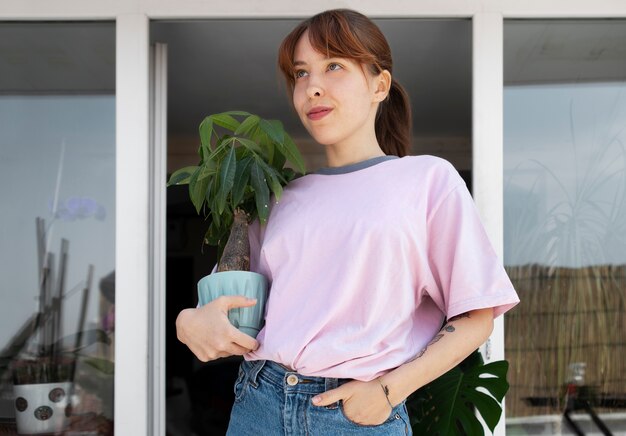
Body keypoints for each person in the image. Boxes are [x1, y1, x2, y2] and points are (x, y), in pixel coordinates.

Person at [176, 9, 520, 435]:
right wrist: (188, 322)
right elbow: (226, 305)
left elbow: (476, 316)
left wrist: (390, 392)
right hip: (259, 403)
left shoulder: (427, 180)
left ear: (380, 84)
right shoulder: (279, 196)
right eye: (301, 73)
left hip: (357, 414)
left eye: (333, 66)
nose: (312, 87)